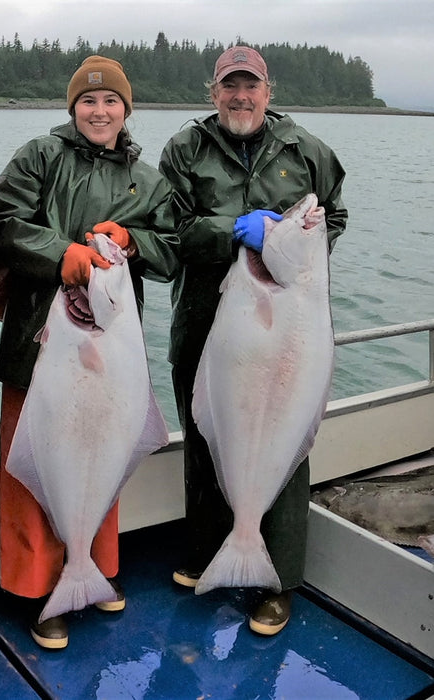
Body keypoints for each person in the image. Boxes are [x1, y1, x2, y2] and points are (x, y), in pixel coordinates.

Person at [0, 55, 179, 650]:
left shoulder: (146, 179)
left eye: (111, 102)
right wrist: (59, 253)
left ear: (127, 109)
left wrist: (135, 239)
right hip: (38, 345)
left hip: (111, 351)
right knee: (34, 466)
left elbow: (172, 250)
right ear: (72, 109)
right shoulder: (39, 156)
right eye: (88, 102)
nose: (100, 111)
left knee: (102, 458)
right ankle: (39, 592)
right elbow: (3, 220)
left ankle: (92, 571)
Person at [159, 46, 348, 636]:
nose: (240, 97)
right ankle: (208, 550)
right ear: (212, 93)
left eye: (251, 86)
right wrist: (229, 233)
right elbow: (168, 229)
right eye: (229, 87)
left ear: (269, 92)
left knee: (285, 443)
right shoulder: (184, 150)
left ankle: (276, 582)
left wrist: (290, 247)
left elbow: (334, 215)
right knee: (207, 433)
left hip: (287, 322)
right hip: (204, 315)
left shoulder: (308, 151)